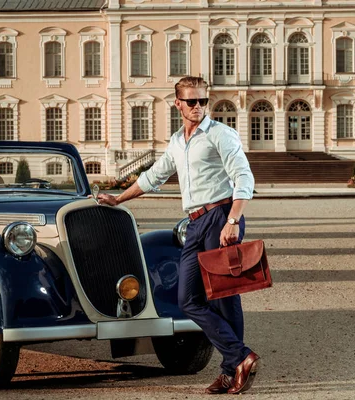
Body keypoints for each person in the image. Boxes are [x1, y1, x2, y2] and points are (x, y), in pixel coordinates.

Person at [94, 76, 259, 394]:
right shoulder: (177, 142)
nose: (198, 107)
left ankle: (230, 370)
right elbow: (154, 175)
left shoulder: (221, 135)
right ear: (178, 103)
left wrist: (233, 221)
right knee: (188, 299)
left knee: (224, 297)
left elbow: (243, 177)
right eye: (192, 101)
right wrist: (117, 198)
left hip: (221, 216)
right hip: (195, 223)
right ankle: (240, 357)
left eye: (203, 101)